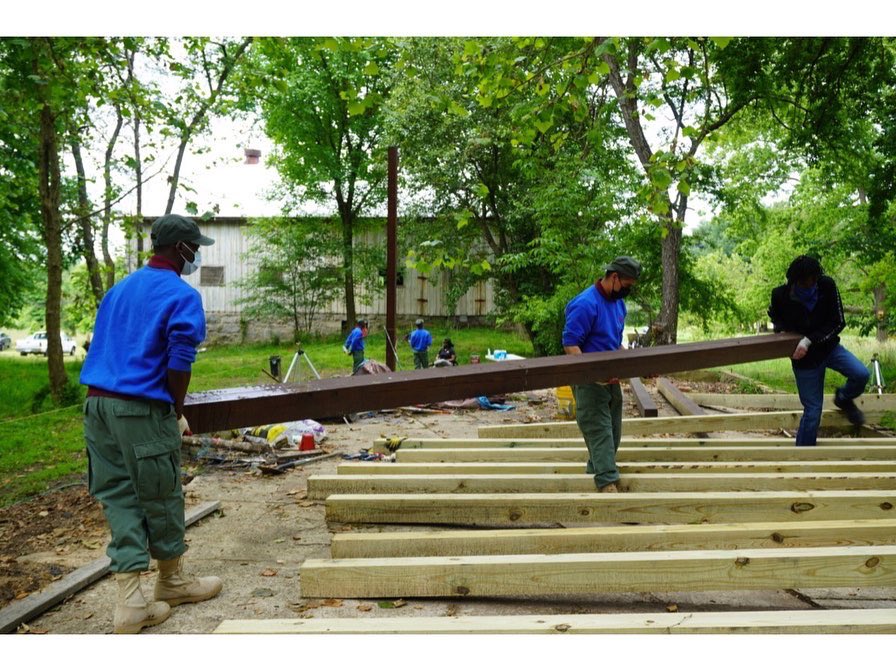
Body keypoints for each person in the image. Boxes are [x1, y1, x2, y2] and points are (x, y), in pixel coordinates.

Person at [79, 214, 223, 634]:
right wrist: (175, 409)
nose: (196, 255)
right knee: (160, 494)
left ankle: (129, 604)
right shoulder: (180, 294)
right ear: (180, 249)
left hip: (97, 408)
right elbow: (180, 359)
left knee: (119, 497)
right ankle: (172, 581)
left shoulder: (119, 289)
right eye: (194, 248)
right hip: (141, 409)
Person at [768, 255, 870, 446]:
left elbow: (838, 322)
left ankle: (843, 398)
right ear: (795, 281)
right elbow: (778, 324)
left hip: (829, 348)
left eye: (815, 278)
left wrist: (809, 340)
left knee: (861, 374)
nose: (812, 283)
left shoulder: (827, 286)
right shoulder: (780, 296)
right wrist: (789, 343)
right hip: (804, 360)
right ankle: (803, 457)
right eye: (808, 281)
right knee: (813, 411)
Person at [561, 255, 641, 494]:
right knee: (600, 432)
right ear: (614, 277)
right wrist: (590, 375)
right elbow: (571, 345)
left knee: (613, 434)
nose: (627, 292)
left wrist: (632, 363)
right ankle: (607, 484)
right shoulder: (586, 304)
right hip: (590, 383)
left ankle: (594, 471)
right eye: (626, 286)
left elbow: (613, 343)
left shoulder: (618, 304)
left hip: (611, 380)